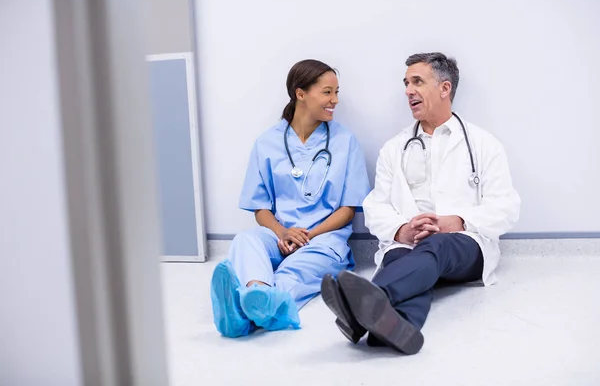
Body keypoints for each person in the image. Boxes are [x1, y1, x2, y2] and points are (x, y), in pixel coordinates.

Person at [321, 52, 521, 354]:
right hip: (408, 244)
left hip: (465, 244)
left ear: (444, 88)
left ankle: (365, 303)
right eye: (406, 83)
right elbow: (376, 205)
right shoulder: (394, 148)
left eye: (417, 81)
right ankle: (394, 328)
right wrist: (402, 230)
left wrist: (459, 221)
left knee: (437, 245)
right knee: (402, 260)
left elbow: (507, 207)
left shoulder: (483, 144)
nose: (408, 91)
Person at [210, 59, 371, 338]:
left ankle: (241, 314)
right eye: (327, 92)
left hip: (324, 240)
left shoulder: (345, 142)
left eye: (336, 92)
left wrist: (307, 235)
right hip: (280, 235)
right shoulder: (267, 142)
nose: (335, 100)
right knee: (245, 240)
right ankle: (257, 292)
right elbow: (260, 209)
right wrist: (283, 232)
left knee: (292, 273)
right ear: (301, 94)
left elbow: (348, 210)